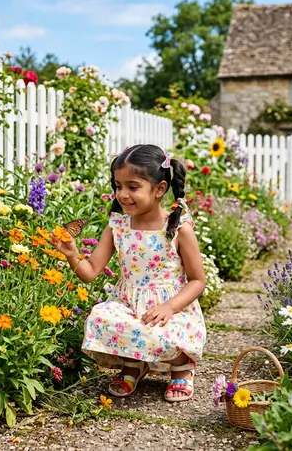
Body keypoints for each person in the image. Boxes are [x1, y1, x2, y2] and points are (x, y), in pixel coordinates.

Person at [51, 144, 206, 402]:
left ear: (159, 189)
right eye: (118, 186)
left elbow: (198, 281)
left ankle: (182, 367)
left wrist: (169, 307)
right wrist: (72, 254)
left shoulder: (179, 228)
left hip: (171, 309)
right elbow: (89, 272)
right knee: (101, 317)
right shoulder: (118, 227)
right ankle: (133, 363)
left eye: (132, 187)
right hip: (128, 304)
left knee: (161, 333)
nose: (122, 194)